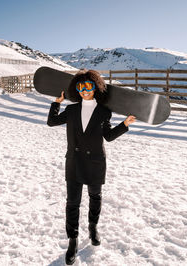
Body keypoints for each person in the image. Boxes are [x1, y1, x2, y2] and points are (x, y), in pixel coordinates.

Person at [47, 69, 135, 265]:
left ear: (95, 87)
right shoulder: (70, 110)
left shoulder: (104, 112)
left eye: (88, 86)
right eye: (80, 87)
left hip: (95, 161)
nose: (84, 90)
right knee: (72, 203)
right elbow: (51, 122)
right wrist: (56, 103)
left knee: (95, 196)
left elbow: (109, 137)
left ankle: (93, 228)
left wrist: (125, 124)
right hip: (74, 162)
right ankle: (73, 240)